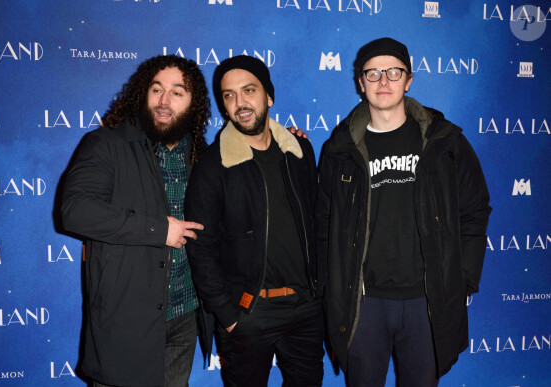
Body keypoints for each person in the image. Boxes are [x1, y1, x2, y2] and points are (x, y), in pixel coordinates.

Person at [318, 37, 491, 386]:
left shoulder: (445, 142)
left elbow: (474, 211)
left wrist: (462, 280)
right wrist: (330, 286)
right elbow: (324, 224)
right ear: (360, 82)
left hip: (426, 303)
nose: (384, 81)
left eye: (394, 72)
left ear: (408, 80)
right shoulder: (339, 150)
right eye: (374, 73)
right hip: (363, 304)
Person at [61, 55, 212, 387]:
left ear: (193, 103)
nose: (163, 101)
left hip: (185, 316)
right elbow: (74, 210)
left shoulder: (203, 156)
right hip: (127, 322)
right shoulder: (106, 144)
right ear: (142, 94)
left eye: (177, 92)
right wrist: (160, 230)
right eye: (156, 89)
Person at [185, 55, 326, 387]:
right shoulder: (212, 164)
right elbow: (201, 249)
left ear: (269, 96)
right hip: (248, 312)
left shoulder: (299, 152)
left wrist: (320, 296)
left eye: (249, 90)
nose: (239, 103)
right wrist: (228, 315)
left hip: (305, 310)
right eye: (229, 95)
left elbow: (317, 224)